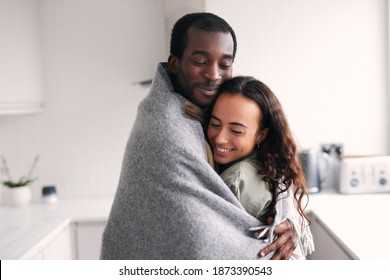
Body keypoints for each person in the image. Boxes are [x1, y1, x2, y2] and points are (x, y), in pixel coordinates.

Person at [101, 12, 298, 260]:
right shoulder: (166, 127)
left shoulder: (214, 107)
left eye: (224, 65)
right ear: (174, 63)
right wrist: (272, 244)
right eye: (200, 61)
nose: (214, 74)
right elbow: (200, 237)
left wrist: (284, 221)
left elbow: (275, 164)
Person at [206, 76, 314, 259]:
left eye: (236, 131)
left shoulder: (237, 179)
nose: (220, 138)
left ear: (260, 135)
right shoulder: (270, 164)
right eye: (215, 124)